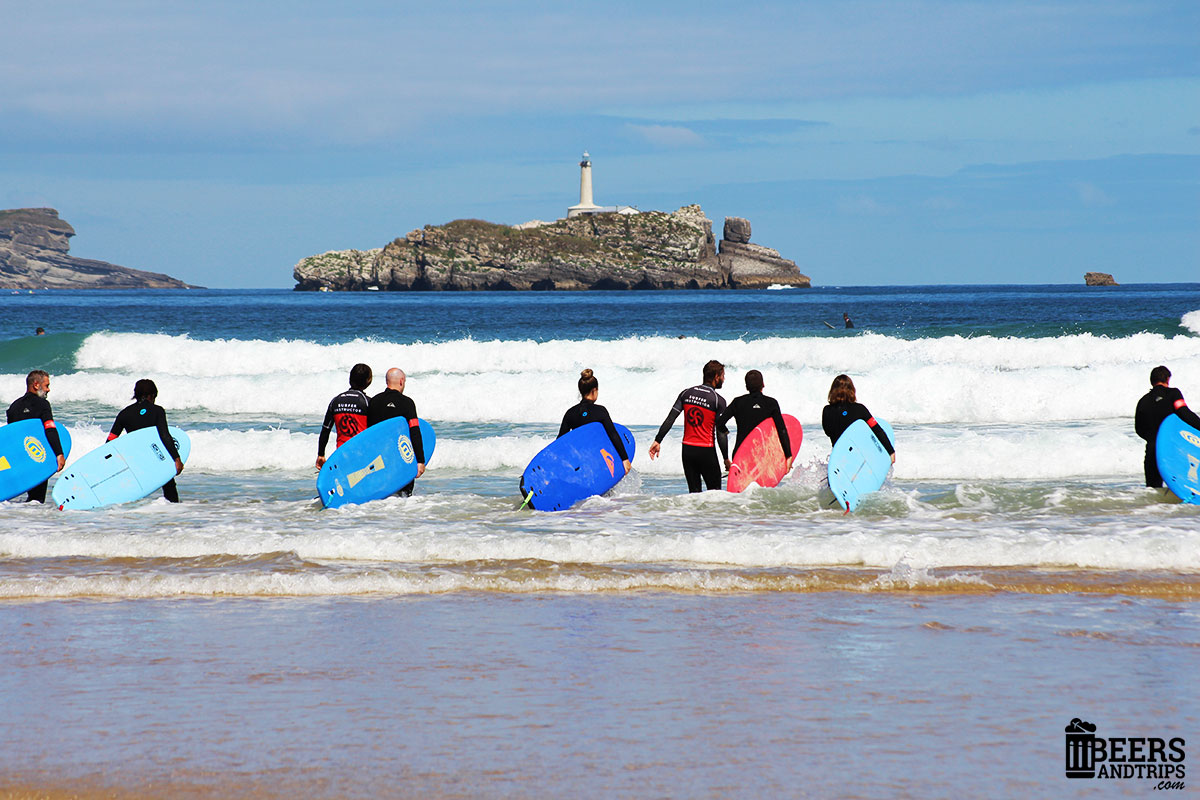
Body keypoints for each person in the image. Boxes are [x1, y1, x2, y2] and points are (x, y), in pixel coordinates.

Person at [648, 360, 731, 492]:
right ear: (716, 377)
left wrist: (658, 440)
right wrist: (726, 459)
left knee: (693, 494)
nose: (724, 379)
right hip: (706, 451)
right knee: (715, 495)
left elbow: (670, 418)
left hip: (687, 451)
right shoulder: (717, 400)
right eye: (723, 376)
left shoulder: (686, 393)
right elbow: (720, 432)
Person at [108, 379, 184, 502]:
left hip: (135, 459)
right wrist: (177, 458)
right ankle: (173, 513)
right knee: (169, 487)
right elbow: (164, 436)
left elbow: (111, 440)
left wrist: (116, 461)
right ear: (152, 395)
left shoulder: (124, 413)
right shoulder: (158, 410)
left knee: (135, 490)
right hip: (156, 457)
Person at [1134, 365, 1200, 488]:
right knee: (1181, 488)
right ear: (1167, 379)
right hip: (1172, 449)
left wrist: (1153, 439)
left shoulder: (1143, 401)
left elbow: (1139, 429)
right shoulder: (1173, 393)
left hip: (1152, 451)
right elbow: (1183, 412)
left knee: (1154, 491)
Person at [5, 370, 66, 503]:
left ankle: (17, 519)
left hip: (18, 459)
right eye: (47, 385)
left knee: (23, 496)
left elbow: (11, 436)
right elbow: (50, 429)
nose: (48, 390)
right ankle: (33, 522)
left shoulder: (14, 407)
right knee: (37, 499)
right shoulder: (43, 404)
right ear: (36, 385)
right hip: (37, 457)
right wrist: (59, 454)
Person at [717, 369, 794, 473]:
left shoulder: (737, 402)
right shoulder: (771, 403)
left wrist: (726, 431)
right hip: (762, 455)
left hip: (740, 454)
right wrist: (788, 455)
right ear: (763, 384)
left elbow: (720, 423)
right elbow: (782, 430)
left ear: (746, 386)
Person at [558, 368, 632, 475]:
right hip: (597, 460)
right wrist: (625, 459)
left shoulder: (570, 413)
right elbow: (613, 435)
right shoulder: (600, 411)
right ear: (594, 390)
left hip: (578, 461)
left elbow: (560, 440)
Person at [367, 367, 425, 496]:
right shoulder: (407, 403)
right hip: (399, 460)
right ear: (401, 381)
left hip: (377, 459)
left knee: (381, 497)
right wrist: (420, 461)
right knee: (403, 497)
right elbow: (414, 431)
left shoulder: (374, 401)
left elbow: (368, 433)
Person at [822, 374, 895, 464]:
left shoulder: (827, 410)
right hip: (858, 458)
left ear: (833, 391)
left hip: (838, 458)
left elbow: (828, 432)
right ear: (852, 390)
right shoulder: (860, 409)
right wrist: (890, 451)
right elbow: (877, 430)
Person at [316, 363, 372, 469]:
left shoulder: (336, 401)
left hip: (342, 457)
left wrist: (321, 454)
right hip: (363, 458)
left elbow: (325, 430)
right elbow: (376, 432)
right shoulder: (368, 402)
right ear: (368, 381)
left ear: (350, 379)